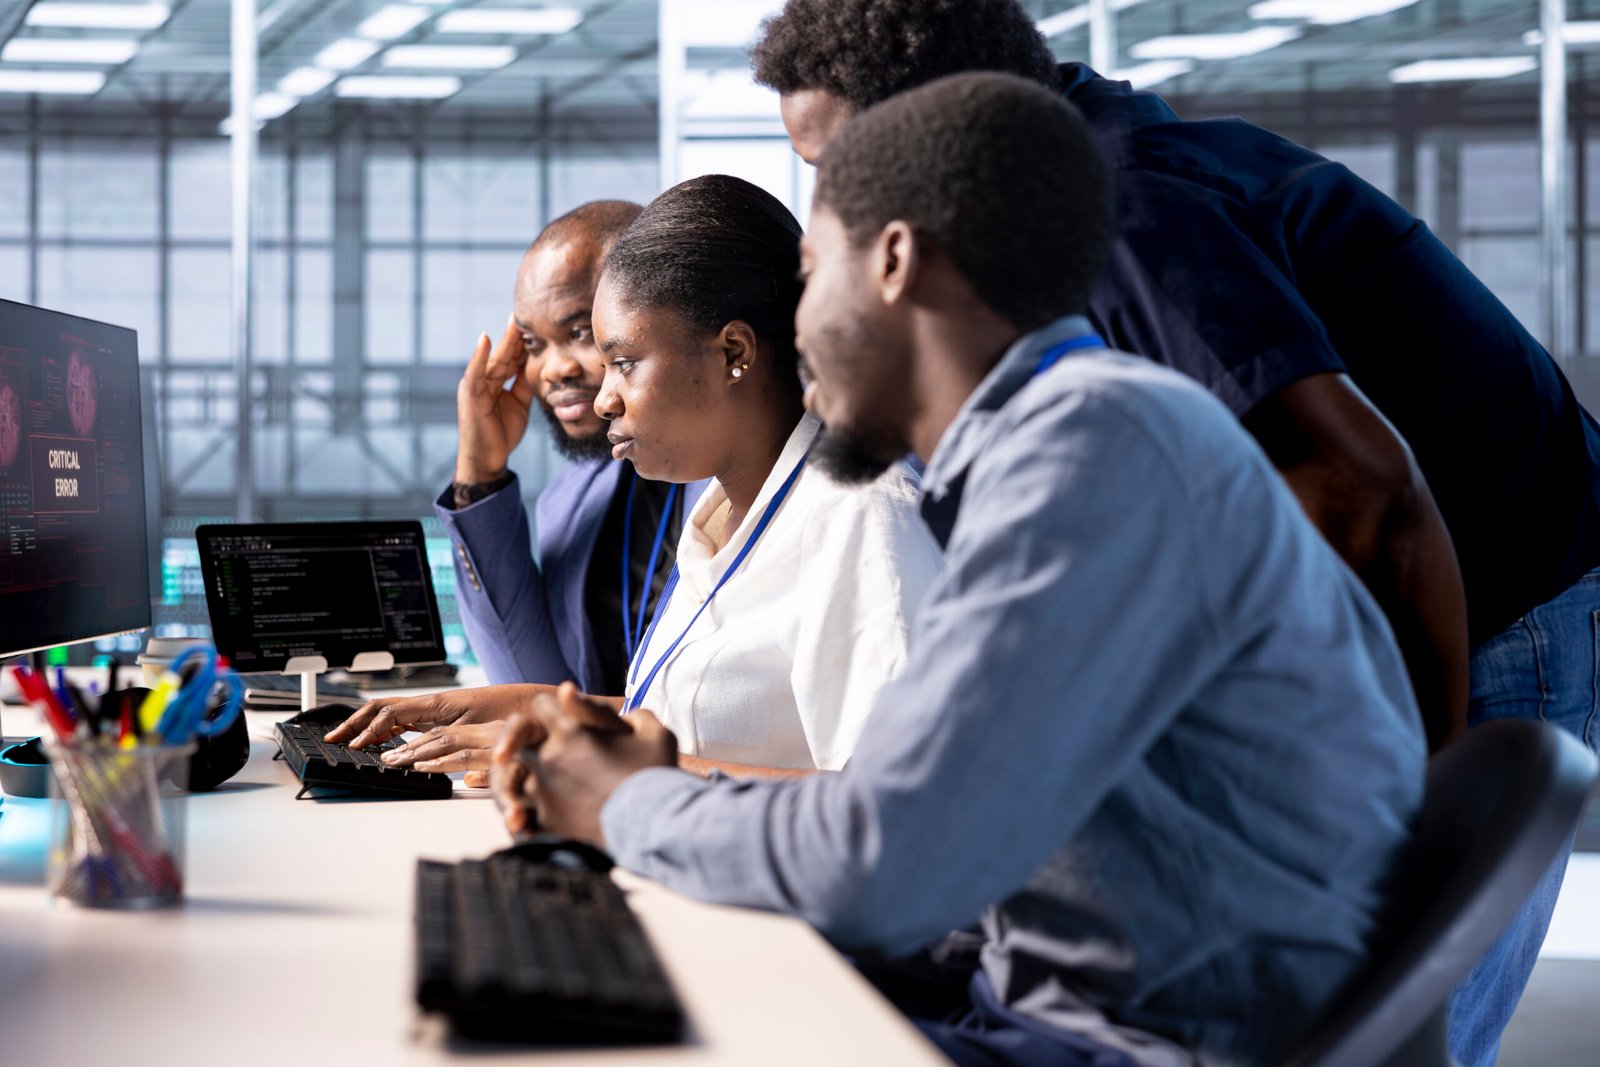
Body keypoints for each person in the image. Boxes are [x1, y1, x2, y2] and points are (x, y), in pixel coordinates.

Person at [491, 74, 1425, 1067]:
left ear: (892, 261)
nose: (795, 329)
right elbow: (915, 823)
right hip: (1045, 991)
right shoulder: (1051, 448)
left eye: (813, 274)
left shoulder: (1091, 453)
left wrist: (630, 802)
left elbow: (882, 861)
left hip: (1125, 1036)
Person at [749, 3, 1600, 1061]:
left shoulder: (1122, 211)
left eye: (836, 163)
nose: (828, 207)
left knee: (1375, 1016)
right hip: (1441, 568)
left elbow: (1360, 494)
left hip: (1498, 592)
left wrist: (1382, 822)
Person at [347, 175, 943, 779]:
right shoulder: (727, 511)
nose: (603, 398)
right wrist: (519, 706)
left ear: (735, 353)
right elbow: (689, 725)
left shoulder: (864, 520)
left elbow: (901, 811)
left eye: (623, 363)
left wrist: (618, 771)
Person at [326, 202, 710, 778]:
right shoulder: (568, 505)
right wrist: (478, 473)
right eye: (531, 343)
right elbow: (525, 682)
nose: (552, 368)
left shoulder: (744, 479)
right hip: (597, 802)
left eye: (578, 331)